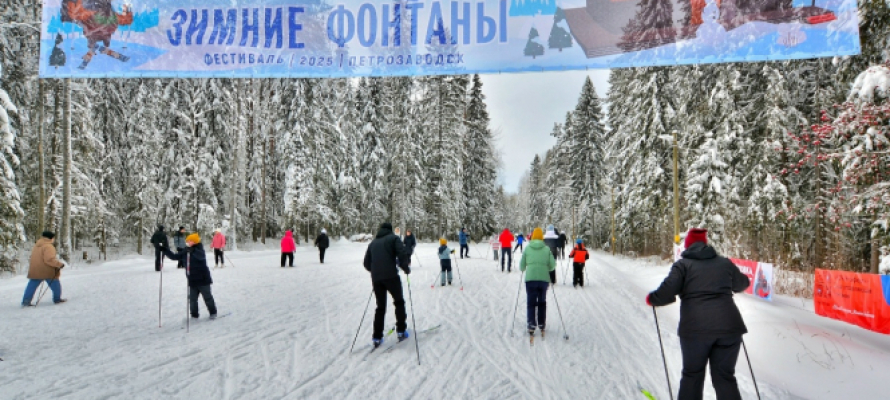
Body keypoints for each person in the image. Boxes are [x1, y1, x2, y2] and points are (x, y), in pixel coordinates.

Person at [647, 228, 750, 400]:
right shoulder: (724, 263)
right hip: (729, 328)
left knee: (692, 375)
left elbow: (667, 291)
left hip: (695, 330)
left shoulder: (683, 265)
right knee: (724, 376)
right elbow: (742, 284)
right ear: (705, 244)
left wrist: (653, 298)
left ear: (687, 246)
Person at [363, 222, 412, 347]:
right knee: (399, 302)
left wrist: (376, 271)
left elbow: (366, 263)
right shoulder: (394, 238)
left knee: (380, 307)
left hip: (376, 279)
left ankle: (377, 337)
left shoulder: (373, 243)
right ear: (390, 230)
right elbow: (401, 253)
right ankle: (401, 331)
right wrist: (405, 267)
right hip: (391, 276)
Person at [163, 233, 218, 319]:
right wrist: (165, 250)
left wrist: (193, 251)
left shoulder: (200, 249)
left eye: (190, 240)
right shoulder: (186, 251)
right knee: (192, 300)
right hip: (192, 280)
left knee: (207, 298)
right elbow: (174, 257)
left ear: (195, 241)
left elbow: (201, 257)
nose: (188, 242)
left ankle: (213, 312)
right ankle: (194, 315)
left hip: (203, 279)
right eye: (187, 240)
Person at [519, 228, 556, 337]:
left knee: (531, 303)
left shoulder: (527, 249)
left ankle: (531, 325)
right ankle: (541, 323)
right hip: (543, 279)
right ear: (541, 237)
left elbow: (521, 266)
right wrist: (547, 267)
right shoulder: (546, 249)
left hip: (530, 279)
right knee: (542, 302)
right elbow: (553, 265)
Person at [21, 231, 67, 306]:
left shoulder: (37, 245)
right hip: (47, 270)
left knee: (31, 286)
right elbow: (49, 259)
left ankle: (26, 301)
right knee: (55, 285)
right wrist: (59, 264)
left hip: (35, 269)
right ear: (51, 238)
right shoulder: (48, 246)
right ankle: (57, 299)